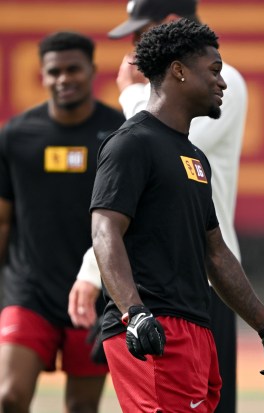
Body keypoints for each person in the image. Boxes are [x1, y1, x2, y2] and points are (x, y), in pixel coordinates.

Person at [89, 18, 264, 412]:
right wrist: (135, 314)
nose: (222, 83)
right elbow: (104, 231)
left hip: (197, 327)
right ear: (179, 71)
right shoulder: (130, 144)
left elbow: (215, 252)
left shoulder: (194, 157)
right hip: (153, 327)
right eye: (214, 71)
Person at [67, 1, 247, 411]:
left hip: (207, 281)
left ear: (168, 23)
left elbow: (166, 135)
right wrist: (93, 270)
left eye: (138, 34)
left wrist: (133, 90)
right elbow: (123, 206)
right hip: (152, 287)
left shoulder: (225, 80)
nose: (132, 49)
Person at [0, 32, 126, 412]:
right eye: (55, 71)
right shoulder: (16, 136)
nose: (64, 78)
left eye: (74, 69)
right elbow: (3, 222)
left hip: (92, 293)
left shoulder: (119, 134)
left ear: (92, 70)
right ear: (42, 75)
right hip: (28, 290)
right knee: (9, 396)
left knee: (81, 408)